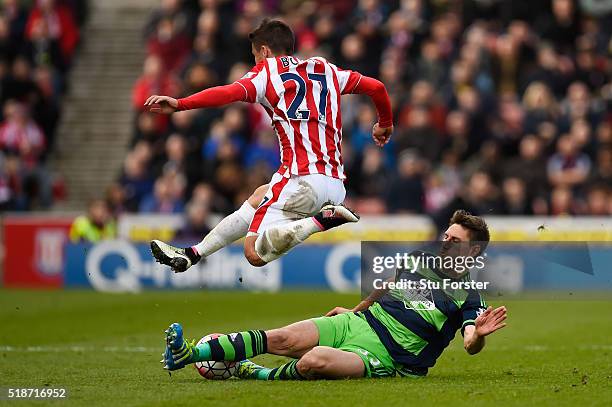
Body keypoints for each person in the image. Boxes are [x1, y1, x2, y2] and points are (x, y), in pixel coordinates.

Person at [145, 19, 393, 272]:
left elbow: (228, 92)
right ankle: (193, 254)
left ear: (264, 51)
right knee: (257, 198)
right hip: (335, 185)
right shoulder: (324, 69)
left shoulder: (267, 72)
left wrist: (180, 104)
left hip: (301, 178)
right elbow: (377, 87)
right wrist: (385, 124)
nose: (254, 63)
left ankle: (322, 221)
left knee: (253, 253)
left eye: (254, 56)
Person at [160, 210, 507, 379]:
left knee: (314, 360)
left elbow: (469, 341)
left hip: (389, 358)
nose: (445, 241)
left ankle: (255, 374)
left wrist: (480, 337)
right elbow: (384, 286)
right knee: (281, 338)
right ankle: (187, 353)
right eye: (446, 235)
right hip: (359, 323)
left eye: (454, 240)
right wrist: (355, 310)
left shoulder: (469, 296)